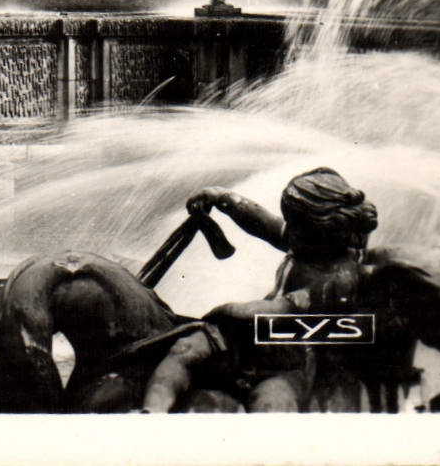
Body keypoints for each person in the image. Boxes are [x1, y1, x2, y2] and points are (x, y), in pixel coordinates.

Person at [142, 168, 380, 413]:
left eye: (294, 224)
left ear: (325, 230)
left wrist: (226, 311)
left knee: (271, 402)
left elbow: (279, 310)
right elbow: (260, 221)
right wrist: (222, 197)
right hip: (252, 336)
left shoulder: (337, 278)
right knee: (184, 351)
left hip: (287, 358)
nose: (287, 230)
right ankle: (151, 411)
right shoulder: (307, 243)